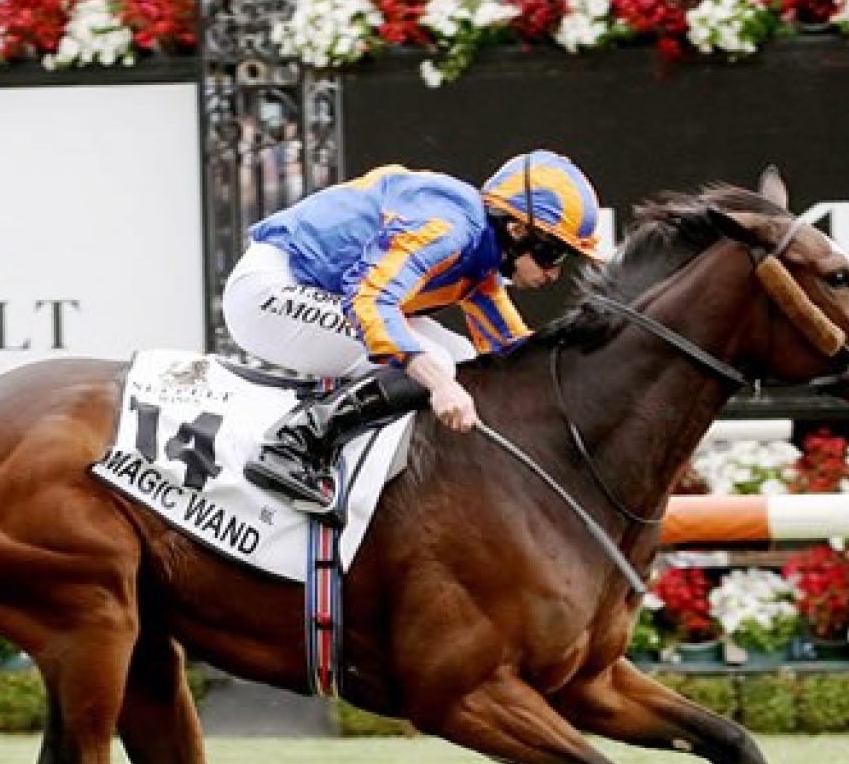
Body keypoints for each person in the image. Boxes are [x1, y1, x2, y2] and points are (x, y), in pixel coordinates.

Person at [223, 151, 606, 515]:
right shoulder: (450, 227)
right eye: (551, 254)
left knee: (464, 359)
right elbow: (368, 301)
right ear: (518, 228)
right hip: (269, 290)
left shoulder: (483, 255)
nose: (553, 273)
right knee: (436, 364)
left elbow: (512, 351)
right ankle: (294, 444)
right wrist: (438, 383)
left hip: (325, 292)